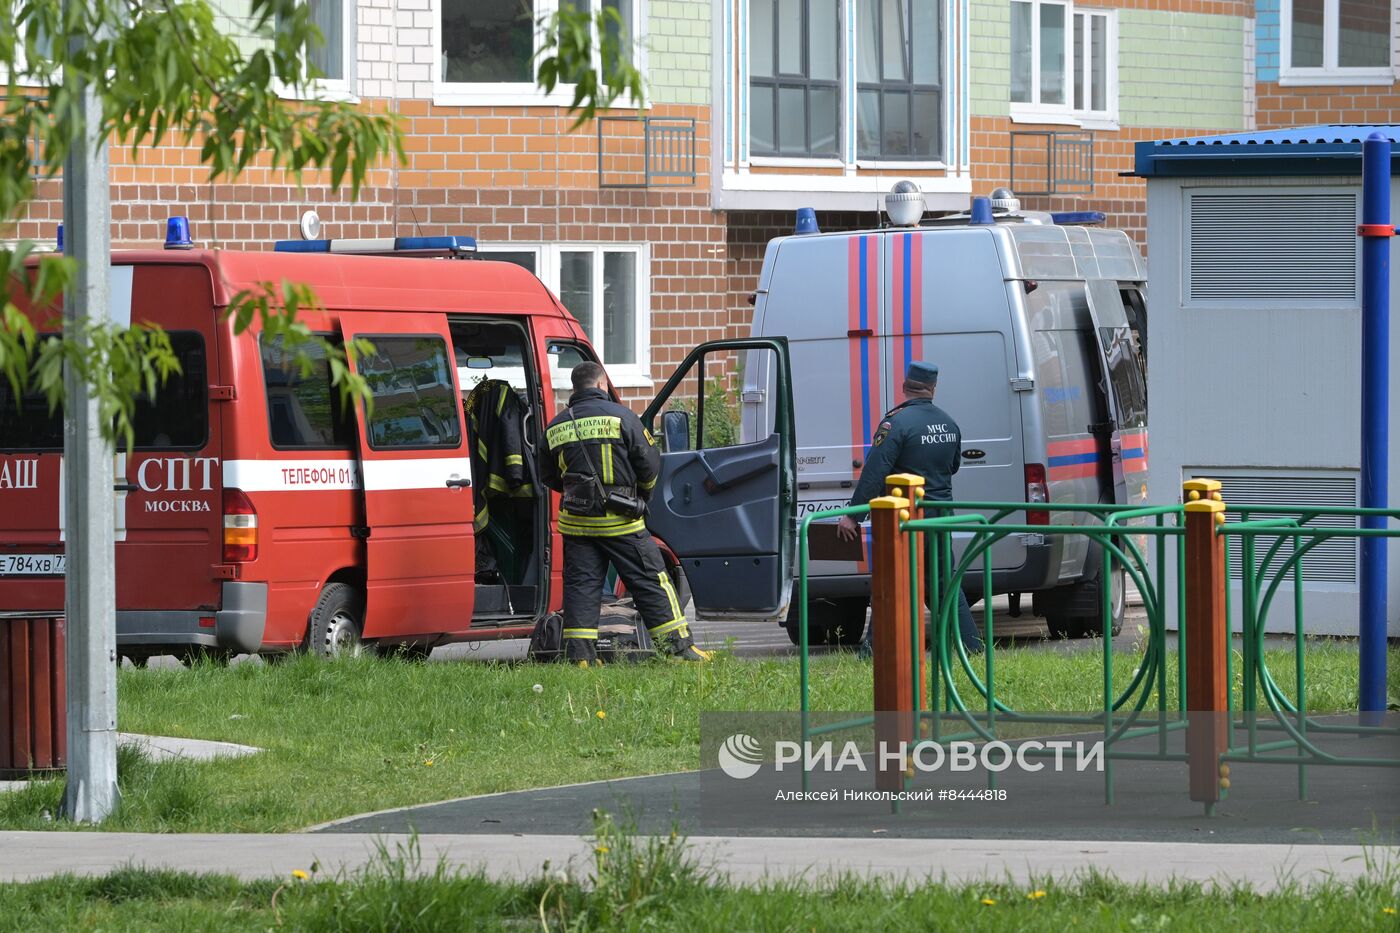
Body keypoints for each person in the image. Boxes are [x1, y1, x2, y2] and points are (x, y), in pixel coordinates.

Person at [539, 361, 711, 664]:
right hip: (622, 523)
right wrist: (638, 497)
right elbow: (650, 465)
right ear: (602, 384)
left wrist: (581, 494)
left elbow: (548, 475)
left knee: (582, 587)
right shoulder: (623, 418)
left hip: (577, 525)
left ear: (575, 388)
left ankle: (581, 659)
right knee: (652, 581)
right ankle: (679, 650)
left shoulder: (556, 426)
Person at [837, 361, 984, 654]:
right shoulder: (949, 423)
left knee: (890, 583)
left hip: (905, 520)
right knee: (945, 586)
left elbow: (874, 473)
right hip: (941, 519)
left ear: (905, 387)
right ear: (933, 388)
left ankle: (873, 651)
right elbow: (953, 466)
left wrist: (854, 515)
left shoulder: (896, 424)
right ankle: (973, 648)